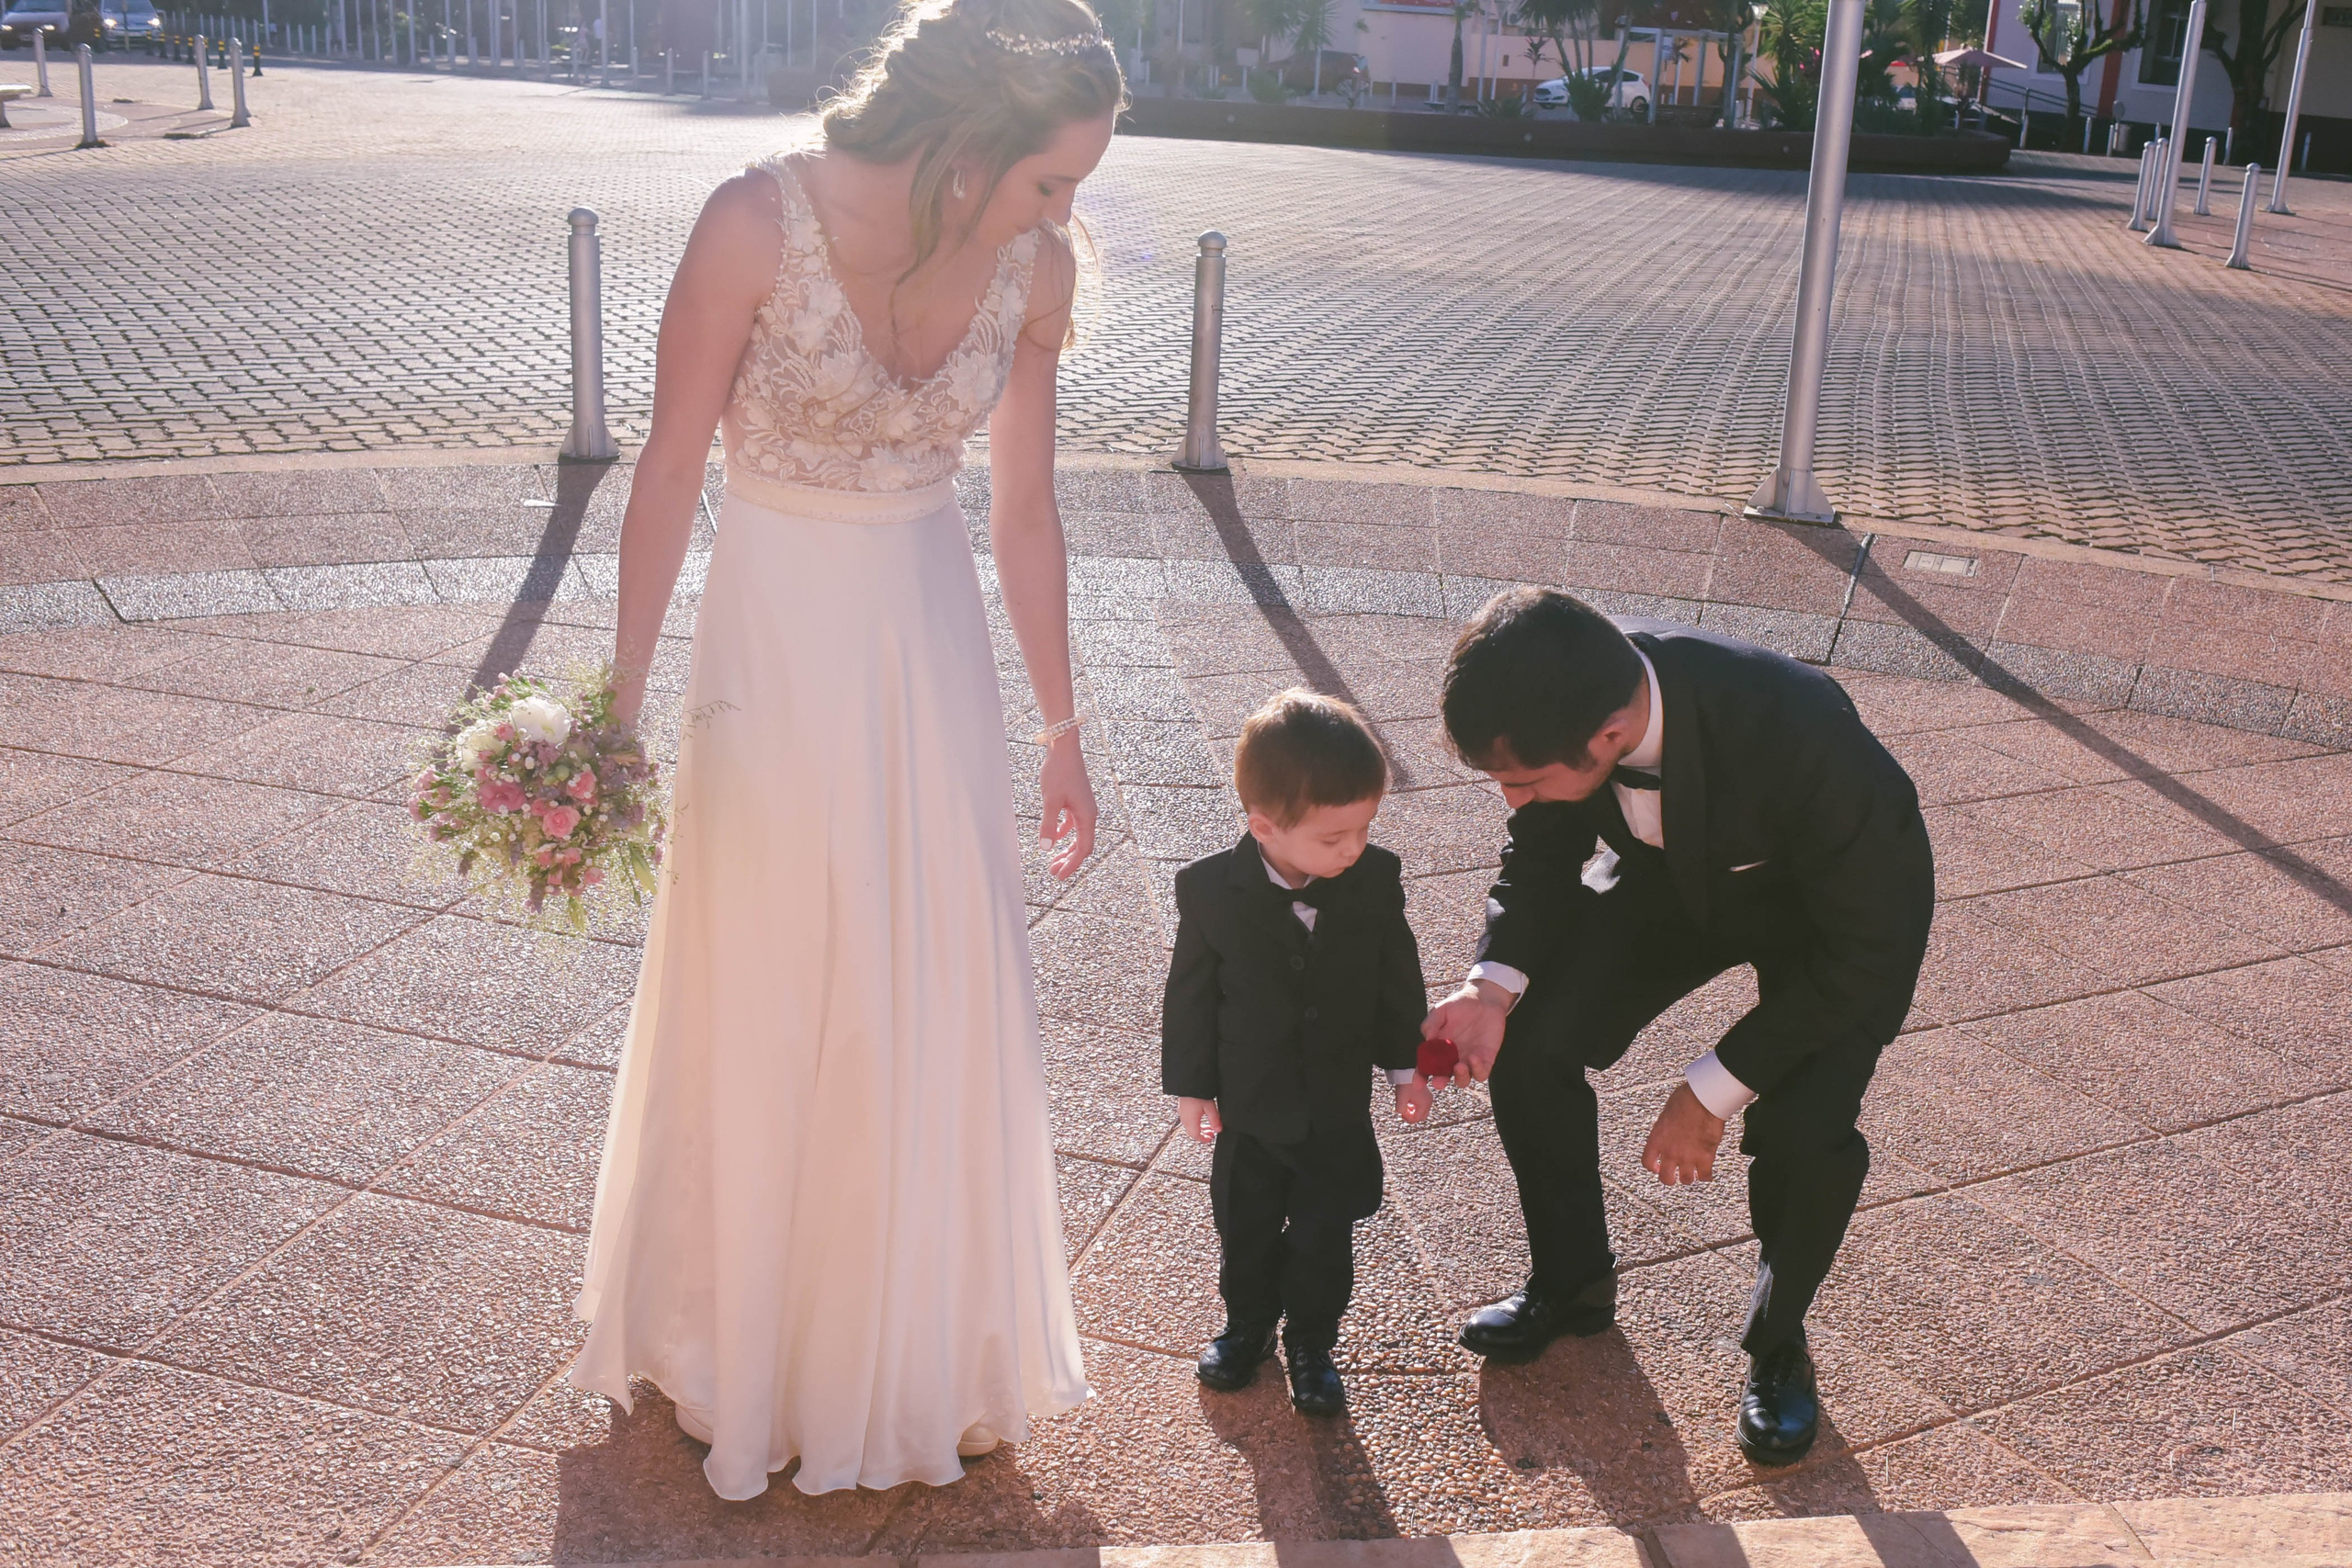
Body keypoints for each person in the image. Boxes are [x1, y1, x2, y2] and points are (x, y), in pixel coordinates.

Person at [570, 0, 1125, 1501]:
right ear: (968, 136)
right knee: (773, 970)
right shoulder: (756, 221)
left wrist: (1065, 731)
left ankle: (915, 1353)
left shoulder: (1034, 270)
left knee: (919, 971)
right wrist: (615, 713)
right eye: (1048, 179)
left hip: (923, 635)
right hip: (776, 633)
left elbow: (1021, 507)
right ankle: (743, 1350)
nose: (1062, 216)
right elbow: (672, 464)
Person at [1421, 588, 1934, 1466]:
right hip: (1677, 879)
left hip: (1838, 926)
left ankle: (1779, 1345)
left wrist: (1712, 1087)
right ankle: (1572, 1285)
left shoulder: (1799, 729)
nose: (1511, 799)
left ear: (1612, 734)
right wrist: (1488, 986)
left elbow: (1869, 953)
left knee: (1806, 1129)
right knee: (1531, 1046)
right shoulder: (1566, 698)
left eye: (1524, 781)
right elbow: (1538, 858)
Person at [1160, 691, 1433, 1416]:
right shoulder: (1210, 890)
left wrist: (1406, 1067)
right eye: (1335, 836)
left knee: (1324, 1237)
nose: (1354, 849)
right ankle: (1246, 1327)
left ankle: (1313, 1339)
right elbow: (1190, 996)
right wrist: (1194, 1088)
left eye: (1365, 829)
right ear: (1265, 825)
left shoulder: (1373, 880)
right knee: (1243, 1229)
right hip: (1250, 1109)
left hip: (1334, 1109)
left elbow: (1396, 979)